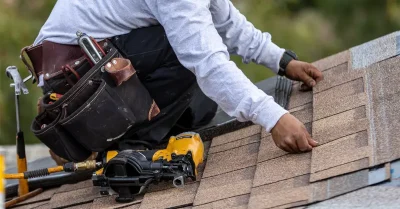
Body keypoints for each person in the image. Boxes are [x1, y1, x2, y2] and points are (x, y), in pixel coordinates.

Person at [32, 0, 323, 154]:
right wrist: (273, 117)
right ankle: (128, 144)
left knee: (202, 108)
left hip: (87, 63)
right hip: (72, 81)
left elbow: (226, 22)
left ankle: (141, 126)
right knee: (185, 50)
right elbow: (206, 60)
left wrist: (282, 62)